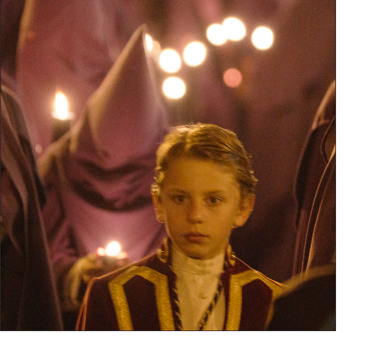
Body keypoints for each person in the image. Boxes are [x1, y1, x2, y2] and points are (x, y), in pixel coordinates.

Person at [77, 123, 283, 330]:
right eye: (180, 199)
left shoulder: (274, 302)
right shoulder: (113, 294)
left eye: (213, 200)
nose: (195, 216)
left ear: (242, 208)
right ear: (159, 204)